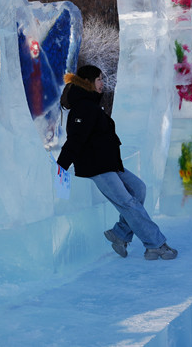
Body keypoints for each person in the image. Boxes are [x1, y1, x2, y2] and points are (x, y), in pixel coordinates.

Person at [57, 65, 178, 260]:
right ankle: (155, 244)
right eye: (98, 79)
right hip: (95, 167)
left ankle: (119, 234)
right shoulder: (83, 107)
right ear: (87, 82)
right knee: (128, 202)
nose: (102, 83)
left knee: (139, 189)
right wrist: (60, 167)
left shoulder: (92, 104)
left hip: (109, 164)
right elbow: (75, 140)